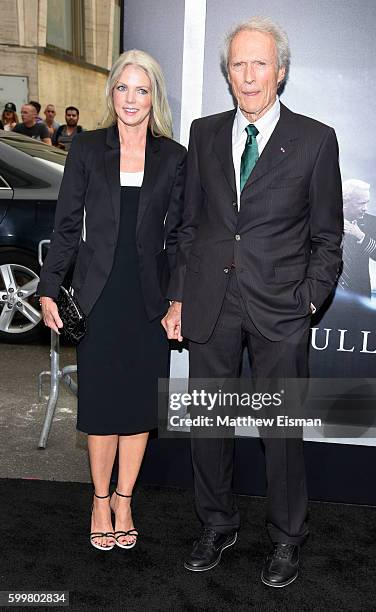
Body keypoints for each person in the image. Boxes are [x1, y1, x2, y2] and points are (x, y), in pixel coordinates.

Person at [162, 17, 343, 587]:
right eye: (238, 64)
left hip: (281, 310)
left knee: (280, 434)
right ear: (228, 73)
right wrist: (180, 297)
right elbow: (188, 227)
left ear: (280, 72)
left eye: (259, 63)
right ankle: (217, 524)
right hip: (211, 303)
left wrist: (308, 302)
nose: (248, 75)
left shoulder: (316, 139)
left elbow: (328, 238)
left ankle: (287, 538)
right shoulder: (205, 132)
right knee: (208, 429)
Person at [37, 49, 186, 551]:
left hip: (148, 300)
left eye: (142, 89)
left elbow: (184, 235)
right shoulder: (87, 148)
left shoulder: (174, 156)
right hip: (96, 296)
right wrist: (49, 286)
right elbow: (65, 224)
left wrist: (177, 300)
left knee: (139, 407)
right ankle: (99, 500)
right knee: (102, 407)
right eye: (123, 87)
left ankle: (126, 498)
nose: (131, 98)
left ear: (154, 98)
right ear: (111, 93)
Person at [337, 179, 376, 298]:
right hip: (326, 297)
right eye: (361, 203)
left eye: (367, 203)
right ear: (345, 201)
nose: (365, 208)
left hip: (359, 300)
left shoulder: (372, 223)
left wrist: (360, 236)